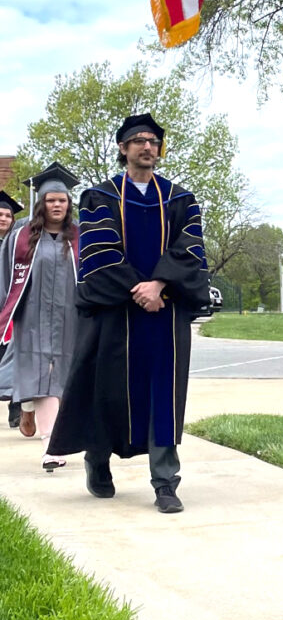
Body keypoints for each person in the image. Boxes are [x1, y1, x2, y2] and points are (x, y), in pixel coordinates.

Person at [48, 113, 210, 514]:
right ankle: (97, 461)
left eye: (153, 140)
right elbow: (99, 255)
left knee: (164, 395)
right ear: (123, 149)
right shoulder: (100, 197)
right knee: (106, 390)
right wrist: (138, 290)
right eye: (138, 140)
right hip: (115, 314)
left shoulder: (181, 199)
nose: (147, 146)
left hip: (165, 314)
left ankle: (165, 481)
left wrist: (159, 286)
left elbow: (189, 250)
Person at [0, 163, 79, 470]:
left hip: (69, 318)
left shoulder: (79, 237)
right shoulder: (20, 237)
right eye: (50, 200)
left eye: (61, 200)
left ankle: (31, 410)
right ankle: (52, 446)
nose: (56, 205)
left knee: (61, 378)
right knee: (43, 378)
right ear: (41, 204)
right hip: (31, 318)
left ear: (68, 203)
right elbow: (5, 278)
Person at [0, 190, 24, 428]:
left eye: (7, 215)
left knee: (15, 360)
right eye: (0, 214)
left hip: (12, 308)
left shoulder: (19, 244)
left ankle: (16, 408)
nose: (3, 218)